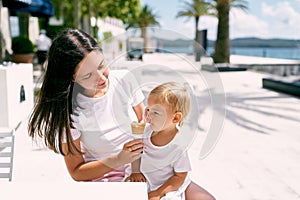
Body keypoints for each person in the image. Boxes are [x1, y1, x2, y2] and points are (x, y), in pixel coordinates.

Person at [28, 28, 215, 200]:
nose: (101, 78)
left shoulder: (125, 79)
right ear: (72, 78)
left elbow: (145, 124)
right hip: (110, 179)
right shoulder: (69, 114)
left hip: (150, 169)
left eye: (102, 65)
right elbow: (77, 172)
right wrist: (118, 160)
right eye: (88, 76)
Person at [126, 82, 213, 200]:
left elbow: (180, 177)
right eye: (148, 109)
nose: (148, 116)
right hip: (144, 179)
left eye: (155, 112)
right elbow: (136, 152)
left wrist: (158, 193)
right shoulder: (145, 132)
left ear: (176, 118)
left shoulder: (178, 146)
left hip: (167, 186)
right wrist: (135, 171)